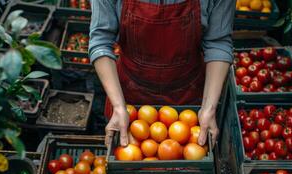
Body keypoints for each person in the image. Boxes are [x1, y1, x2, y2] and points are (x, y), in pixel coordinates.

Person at [89, 0, 235, 147]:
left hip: (190, 99)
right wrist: (119, 106)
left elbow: (218, 42)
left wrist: (209, 108)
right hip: (129, 97)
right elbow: (101, 41)